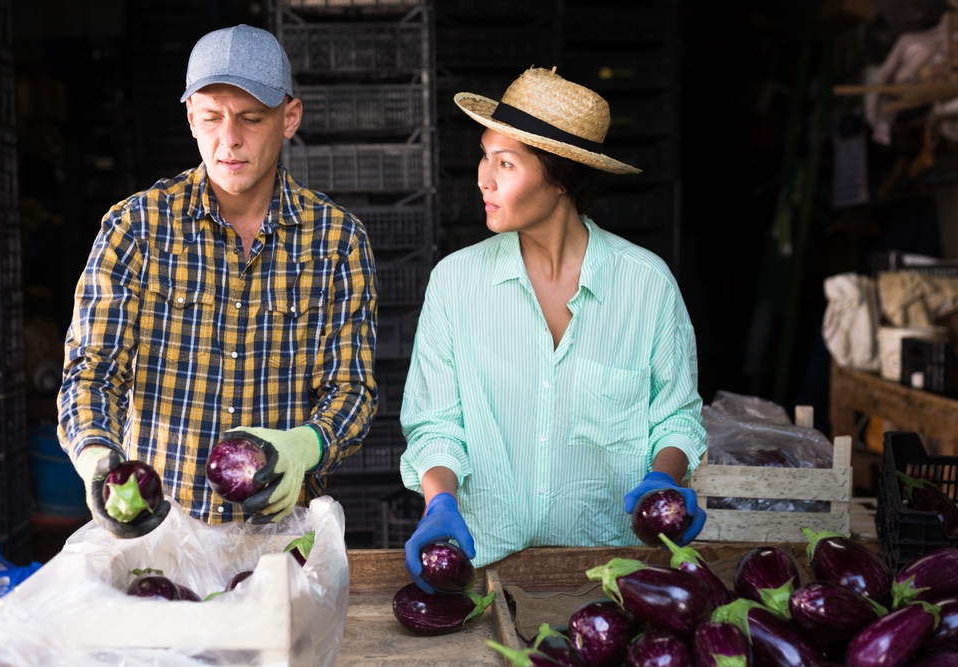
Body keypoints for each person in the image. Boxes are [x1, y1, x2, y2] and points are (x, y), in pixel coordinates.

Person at [58, 24, 378, 538]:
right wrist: (97, 458)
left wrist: (305, 445)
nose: (228, 139)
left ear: (289, 118)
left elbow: (352, 390)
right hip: (159, 530)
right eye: (211, 118)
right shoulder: (137, 228)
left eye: (251, 119)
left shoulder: (337, 241)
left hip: (280, 534)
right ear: (190, 119)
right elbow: (93, 372)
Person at [399, 67, 706, 588]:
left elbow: (675, 416)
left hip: (614, 574)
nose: (483, 178)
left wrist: (665, 479)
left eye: (506, 163)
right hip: (484, 566)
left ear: (560, 178)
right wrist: (440, 503)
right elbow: (436, 424)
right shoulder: (455, 283)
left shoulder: (646, 285)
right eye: (484, 155)